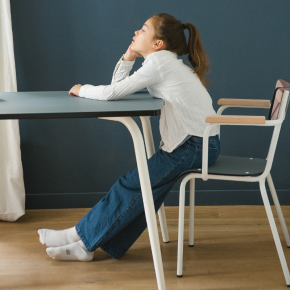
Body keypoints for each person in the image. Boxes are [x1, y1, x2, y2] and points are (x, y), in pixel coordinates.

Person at [38, 13, 220, 261]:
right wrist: (128, 57)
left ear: (158, 44)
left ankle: (78, 237)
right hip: (201, 143)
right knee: (145, 192)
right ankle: (87, 244)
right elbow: (119, 88)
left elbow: (112, 93)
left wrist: (82, 90)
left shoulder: (159, 64)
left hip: (192, 145)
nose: (136, 32)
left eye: (143, 30)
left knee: (132, 184)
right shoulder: (163, 62)